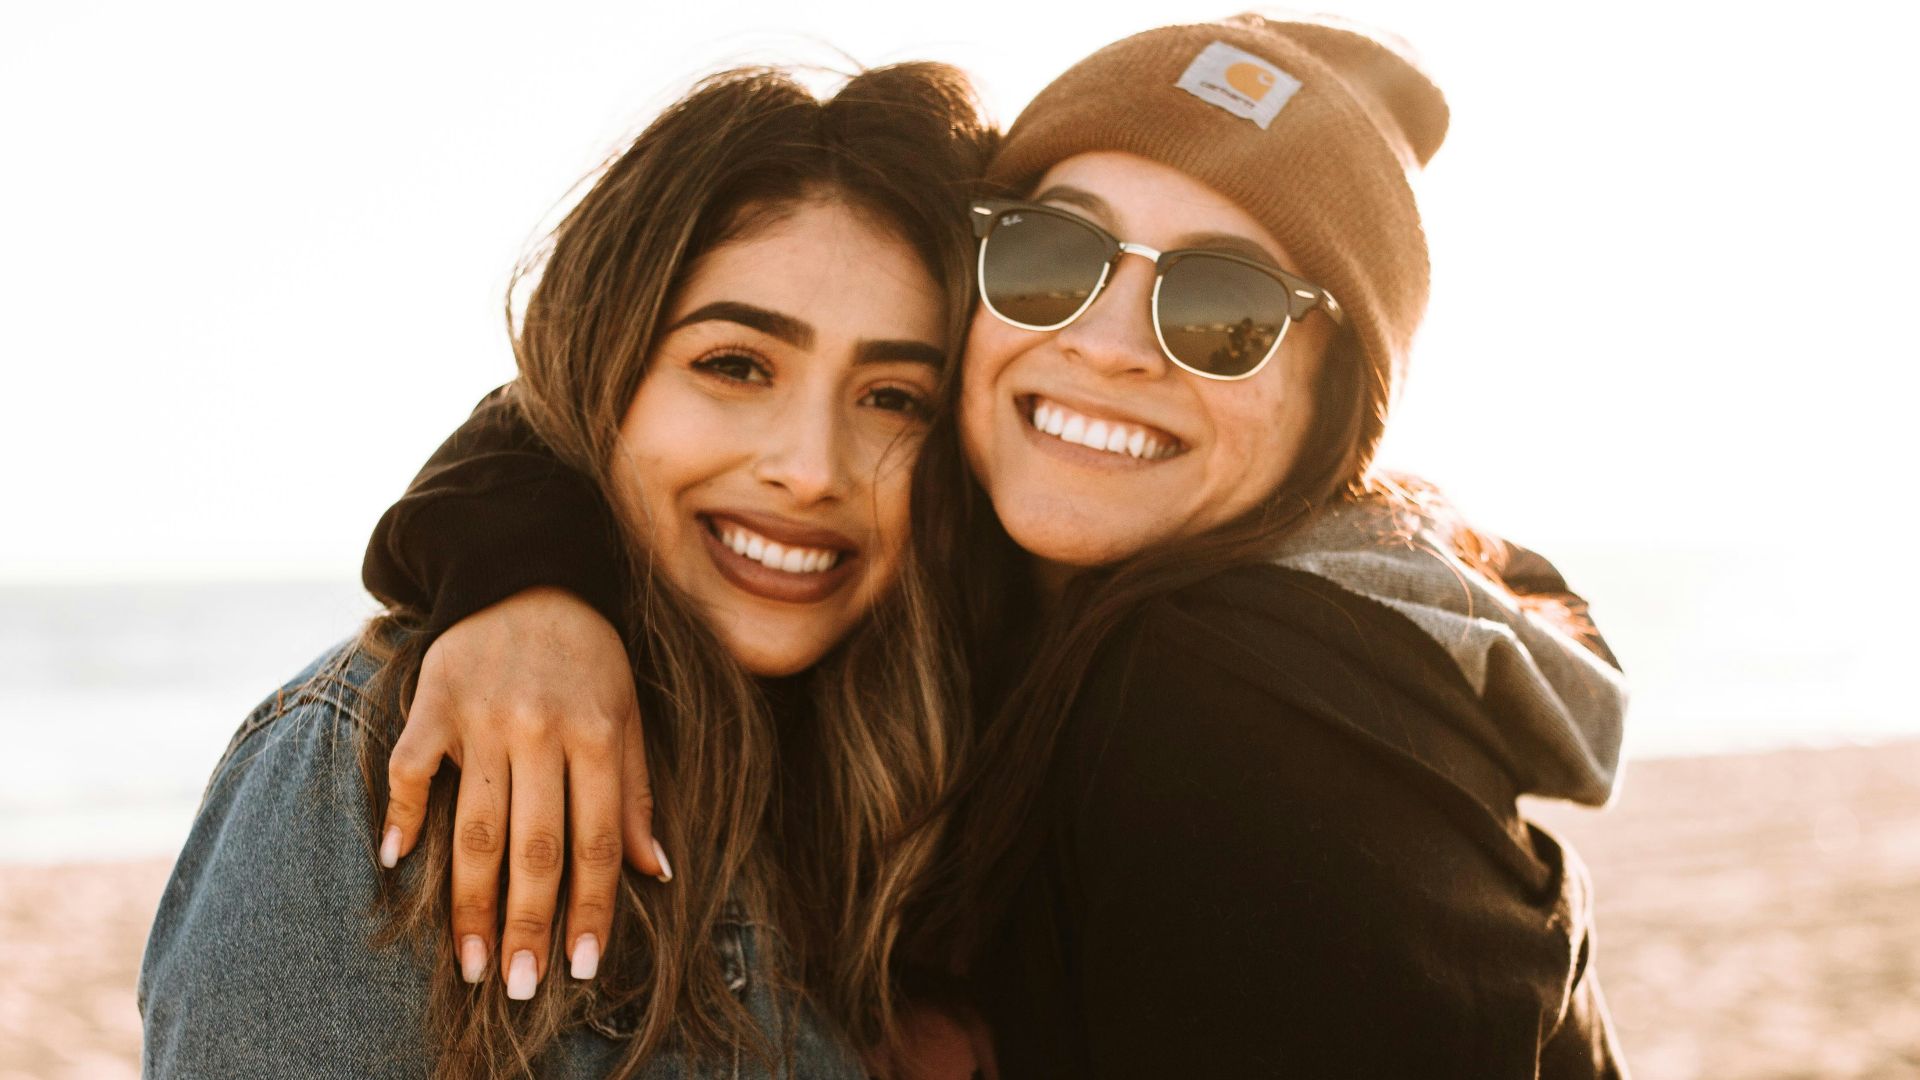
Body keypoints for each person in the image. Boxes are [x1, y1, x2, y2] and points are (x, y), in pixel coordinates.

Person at [360, 15, 1631, 1078]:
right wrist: (531, 576)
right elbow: (600, 387)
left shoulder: (1244, 697)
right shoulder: (986, 559)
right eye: (1053, 255)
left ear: (1332, 408)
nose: (1111, 344)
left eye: (1224, 307)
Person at [138, 62, 996, 1079]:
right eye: (735, 366)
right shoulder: (386, 764)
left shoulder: (910, 788)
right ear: (602, 374)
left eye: (894, 397)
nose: (811, 470)